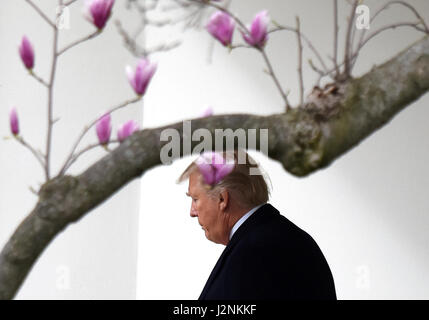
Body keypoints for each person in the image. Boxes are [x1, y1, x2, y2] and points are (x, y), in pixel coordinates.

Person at [178, 149, 336, 300]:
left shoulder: (253, 253)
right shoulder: (284, 238)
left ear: (222, 199)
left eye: (195, 199)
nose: (192, 212)